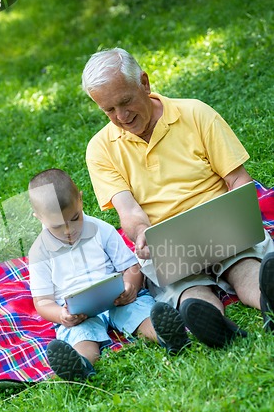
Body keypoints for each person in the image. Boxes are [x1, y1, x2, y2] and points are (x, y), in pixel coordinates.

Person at [81, 47, 274, 347]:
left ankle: (268, 301)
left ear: (143, 83)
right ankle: (212, 323)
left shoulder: (195, 113)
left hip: (222, 224)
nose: (121, 116)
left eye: (125, 101)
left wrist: (240, 215)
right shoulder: (100, 149)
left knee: (246, 266)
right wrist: (142, 234)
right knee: (188, 291)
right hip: (167, 244)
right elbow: (128, 212)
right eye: (108, 110)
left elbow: (237, 179)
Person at [28, 168, 189, 382]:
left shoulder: (100, 229)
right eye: (57, 226)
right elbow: (42, 301)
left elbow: (130, 266)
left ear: (80, 200)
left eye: (74, 218)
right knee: (82, 336)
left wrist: (131, 287)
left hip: (117, 298)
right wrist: (61, 316)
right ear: (39, 218)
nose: (68, 230)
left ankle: (168, 336)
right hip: (79, 314)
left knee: (139, 313)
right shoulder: (39, 251)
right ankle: (81, 365)